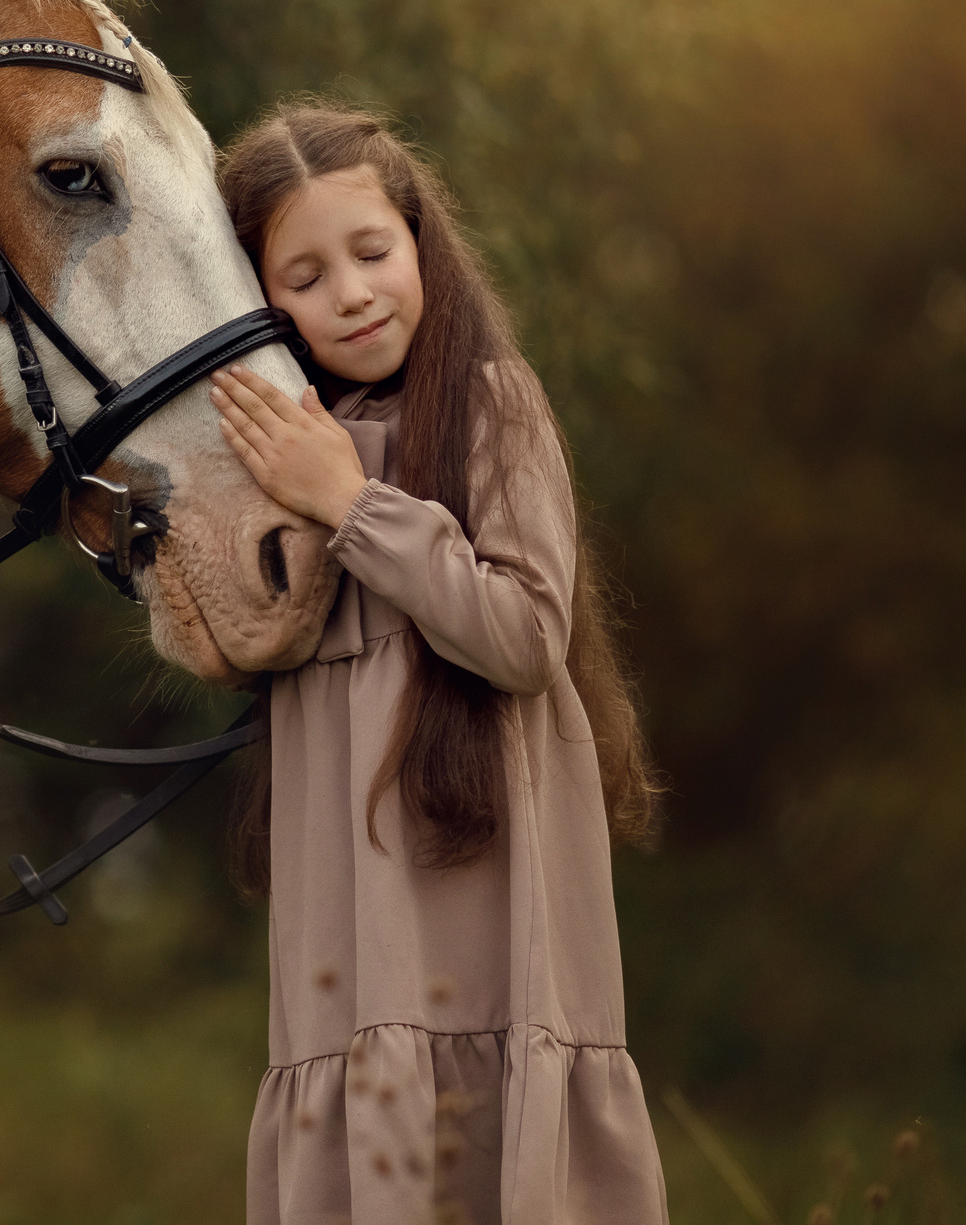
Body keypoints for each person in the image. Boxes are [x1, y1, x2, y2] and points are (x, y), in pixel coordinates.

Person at [207, 102, 668, 1225]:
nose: (353, 292)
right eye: (305, 275)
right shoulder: (270, 448)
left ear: (421, 245)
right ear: (256, 302)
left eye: (372, 252)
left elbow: (520, 635)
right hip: (343, 923)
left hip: (483, 902)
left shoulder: (488, 407)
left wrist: (351, 504)